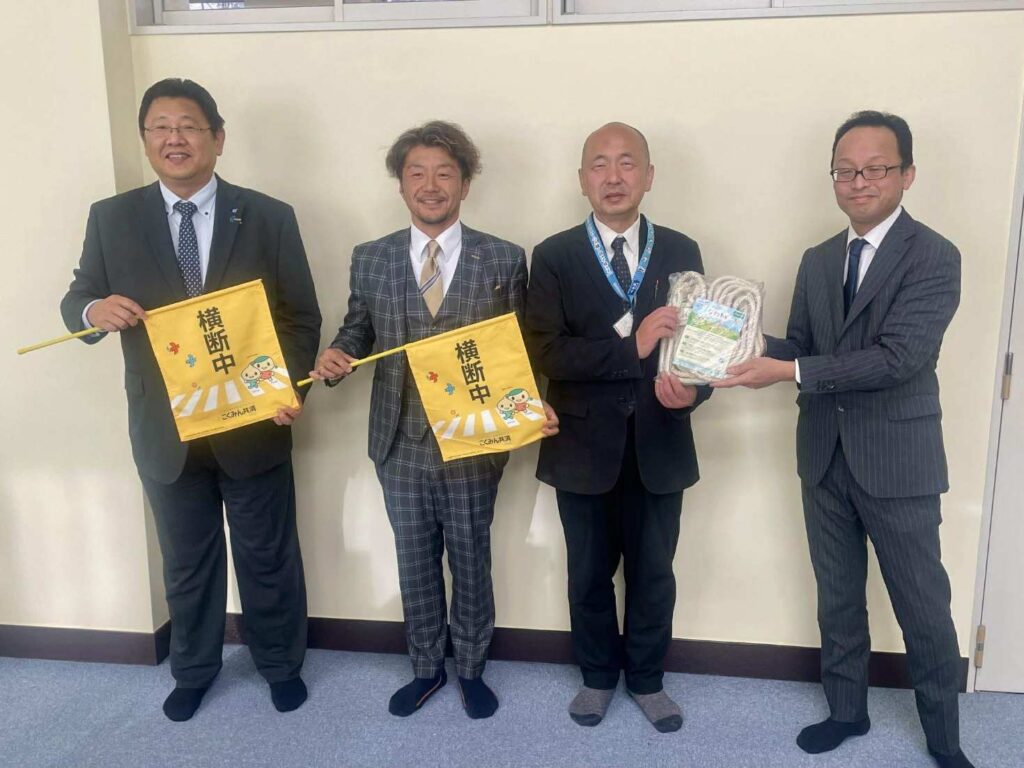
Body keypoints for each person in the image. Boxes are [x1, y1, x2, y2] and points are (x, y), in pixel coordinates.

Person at [714, 111, 972, 768]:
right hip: (824, 455)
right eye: (846, 170)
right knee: (837, 597)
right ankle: (847, 712)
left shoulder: (935, 255)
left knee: (922, 604)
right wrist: (730, 338)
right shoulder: (819, 259)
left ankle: (945, 740)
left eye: (876, 168)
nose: (859, 182)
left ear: (907, 174)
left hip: (898, 460)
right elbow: (802, 346)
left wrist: (790, 371)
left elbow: (898, 358)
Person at [60, 78, 321, 722]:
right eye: (160, 127)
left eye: (188, 126)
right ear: (145, 139)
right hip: (164, 429)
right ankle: (195, 670)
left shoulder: (268, 215)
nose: (174, 139)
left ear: (217, 138)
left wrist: (286, 387)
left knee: (267, 554)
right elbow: (78, 299)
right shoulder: (112, 218)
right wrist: (93, 310)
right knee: (186, 561)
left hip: (252, 419)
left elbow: (299, 318)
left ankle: (280, 664)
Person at [310, 120, 558, 720]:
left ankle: (471, 667)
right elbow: (358, 330)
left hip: (473, 438)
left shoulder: (503, 258)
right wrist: (336, 357)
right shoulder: (371, 258)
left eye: (445, 173)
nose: (430, 184)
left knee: (471, 556)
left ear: (465, 185)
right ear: (401, 184)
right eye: (417, 172)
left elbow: (520, 347)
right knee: (414, 559)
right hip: (398, 438)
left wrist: (533, 402)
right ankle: (425, 668)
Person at [524, 122, 711, 732]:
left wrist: (693, 394)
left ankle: (649, 680)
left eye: (627, 163)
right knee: (588, 573)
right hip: (582, 444)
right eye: (599, 164)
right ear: (582, 179)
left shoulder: (681, 249)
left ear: (649, 176)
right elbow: (547, 352)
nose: (613, 176)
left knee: (655, 573)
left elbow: (702, 349)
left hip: (661, 439)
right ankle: (598, 676)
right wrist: (631, 346)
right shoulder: (554, 255)